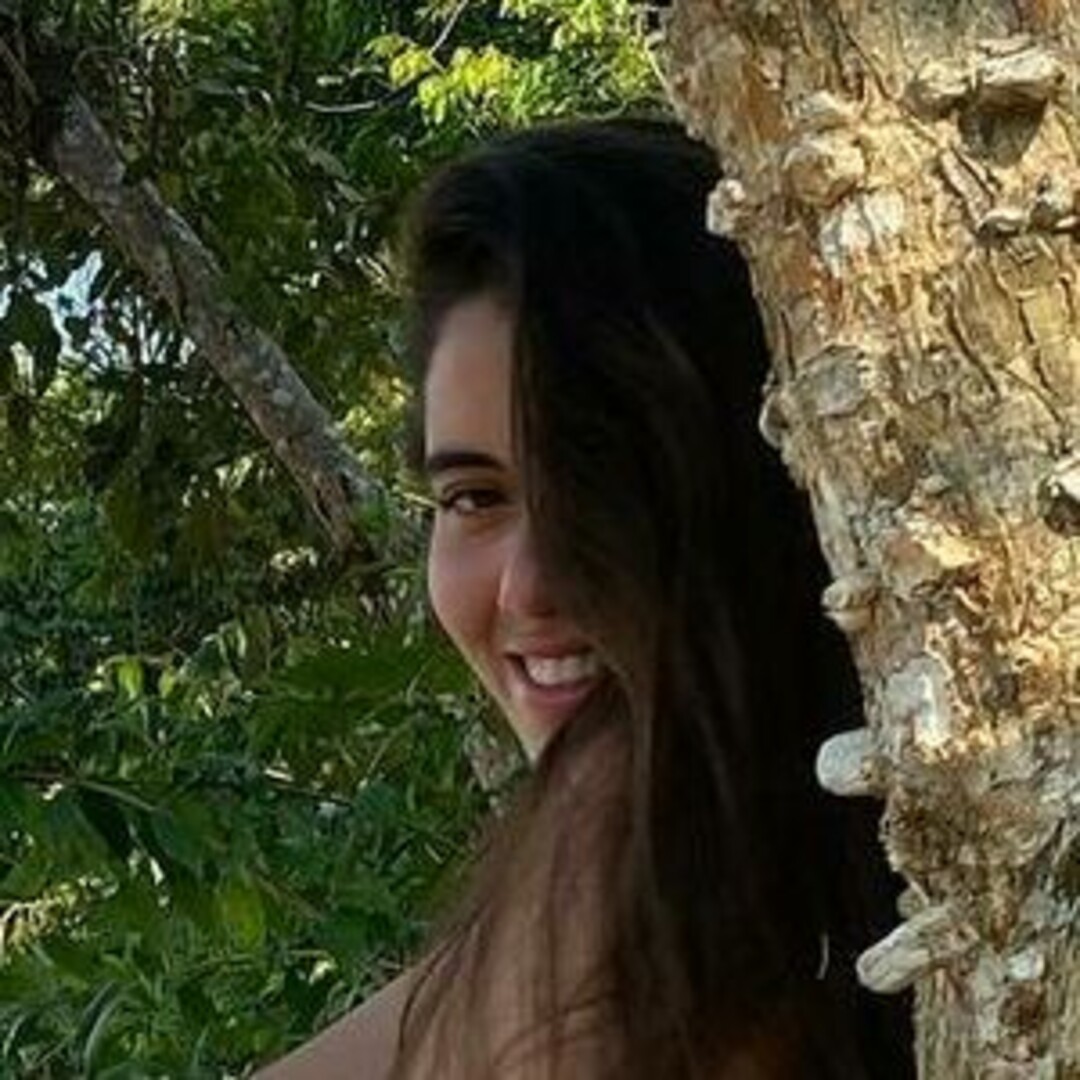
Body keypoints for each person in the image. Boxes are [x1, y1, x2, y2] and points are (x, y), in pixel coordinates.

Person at [259, 119, 915, 1079]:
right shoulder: (612, 850)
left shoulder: (644, 834)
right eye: (475, 497)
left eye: (598, 490)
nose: (530, 584)